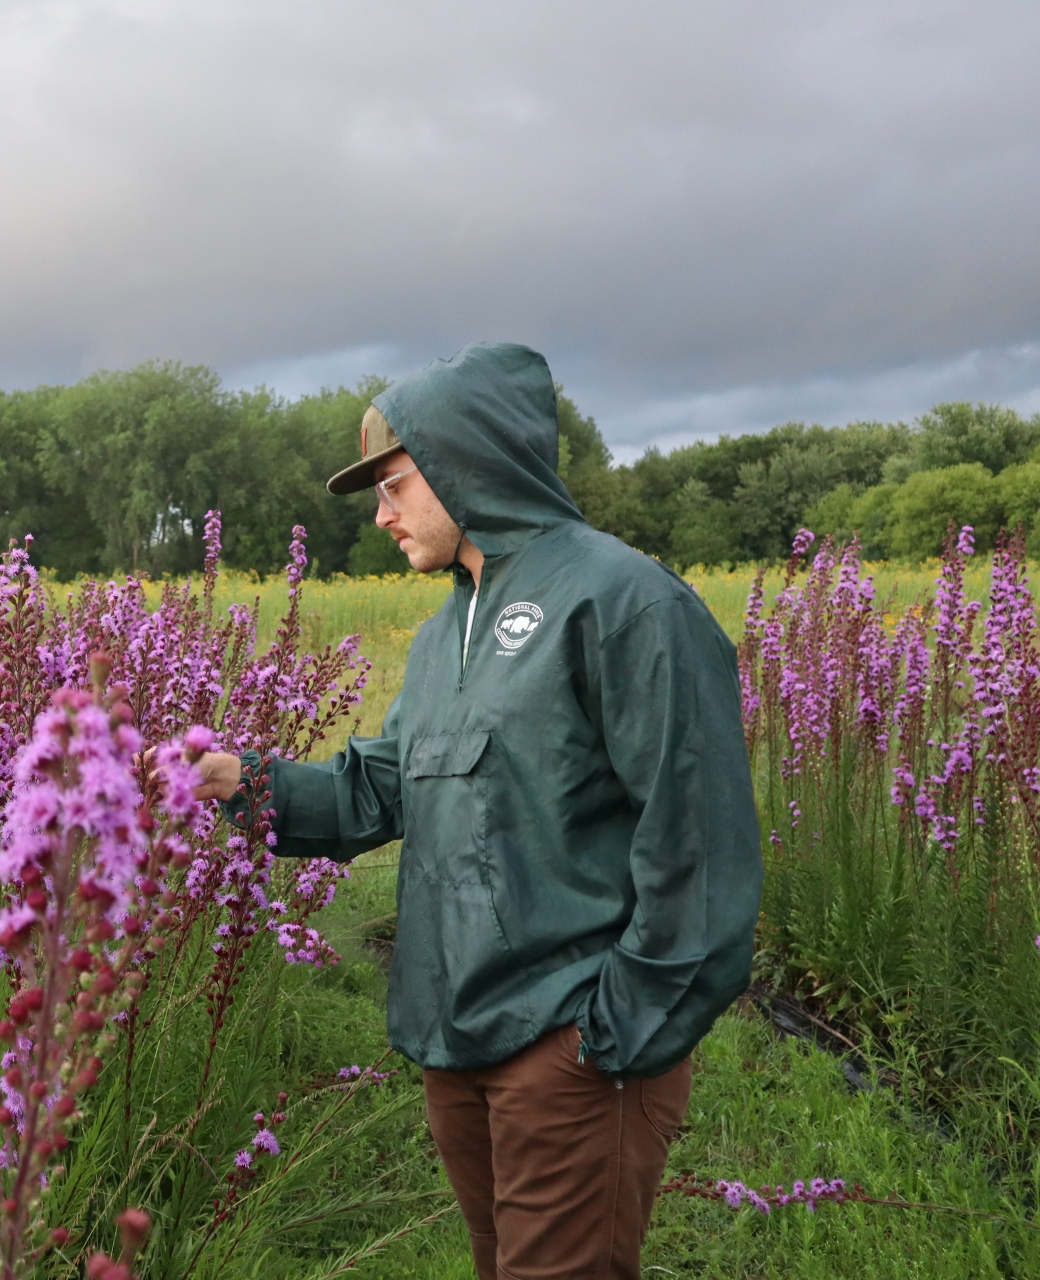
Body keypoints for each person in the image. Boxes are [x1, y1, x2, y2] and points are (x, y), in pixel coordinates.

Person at [189, 343, 762, 1280]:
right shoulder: (445, 630)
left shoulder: (622, 603)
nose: (380, 515)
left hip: (574, 1044)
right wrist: (235, 782)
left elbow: (698, 840)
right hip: (459, 1036)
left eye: (397, 484)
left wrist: (611, 1034)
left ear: (472, 464)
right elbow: (378, 788)